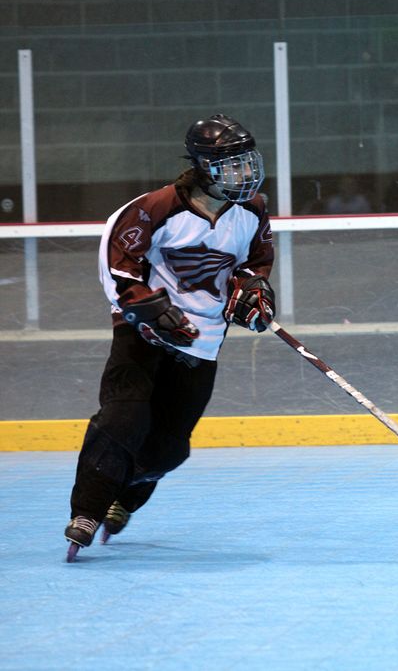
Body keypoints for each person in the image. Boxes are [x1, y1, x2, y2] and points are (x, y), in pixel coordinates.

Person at [64, 114, 275, 560]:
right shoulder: (154, 208)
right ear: (203, 167)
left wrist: (253, 291)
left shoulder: (253, 211)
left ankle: (125, 497)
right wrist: (148, 309)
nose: (244, 173)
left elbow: (254, 262)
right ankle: (87, 510)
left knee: (169, 449)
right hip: (143, 334)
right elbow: (119, 267)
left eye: (247, 162)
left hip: (203, 340)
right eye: (232, 165)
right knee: (123, 418)